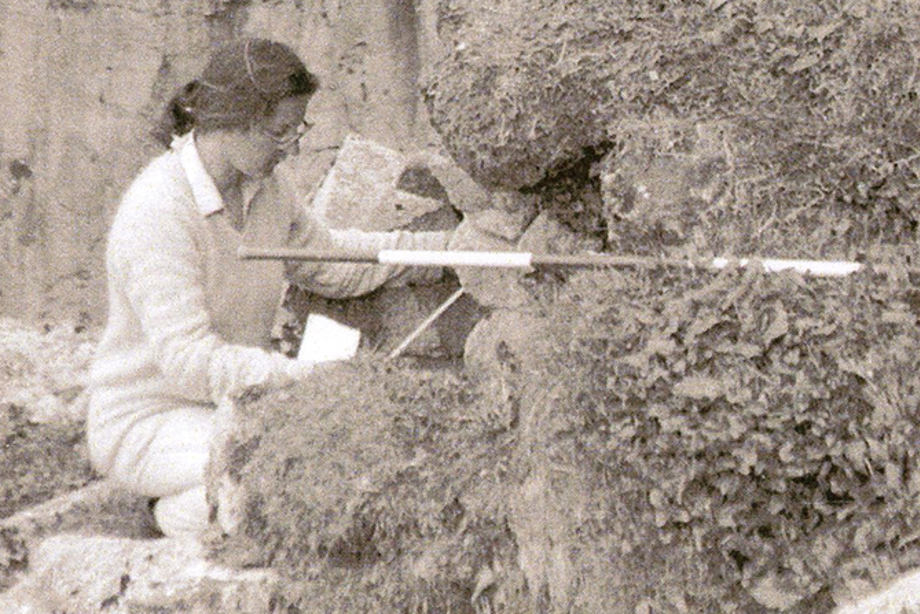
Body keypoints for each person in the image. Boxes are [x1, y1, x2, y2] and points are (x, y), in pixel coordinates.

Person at [86, 37, 452, 538]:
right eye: (280, 132)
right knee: (284, 475)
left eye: (296, 130)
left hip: (234, 405)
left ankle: (196, 508)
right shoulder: (159, 209)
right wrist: (304, 379)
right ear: (232, 119)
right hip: (150, 420)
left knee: (326, 462)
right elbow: (190, 363)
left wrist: (442, 252)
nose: (292, 147)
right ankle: (165, 511)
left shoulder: (267, 189)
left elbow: (329, 260)